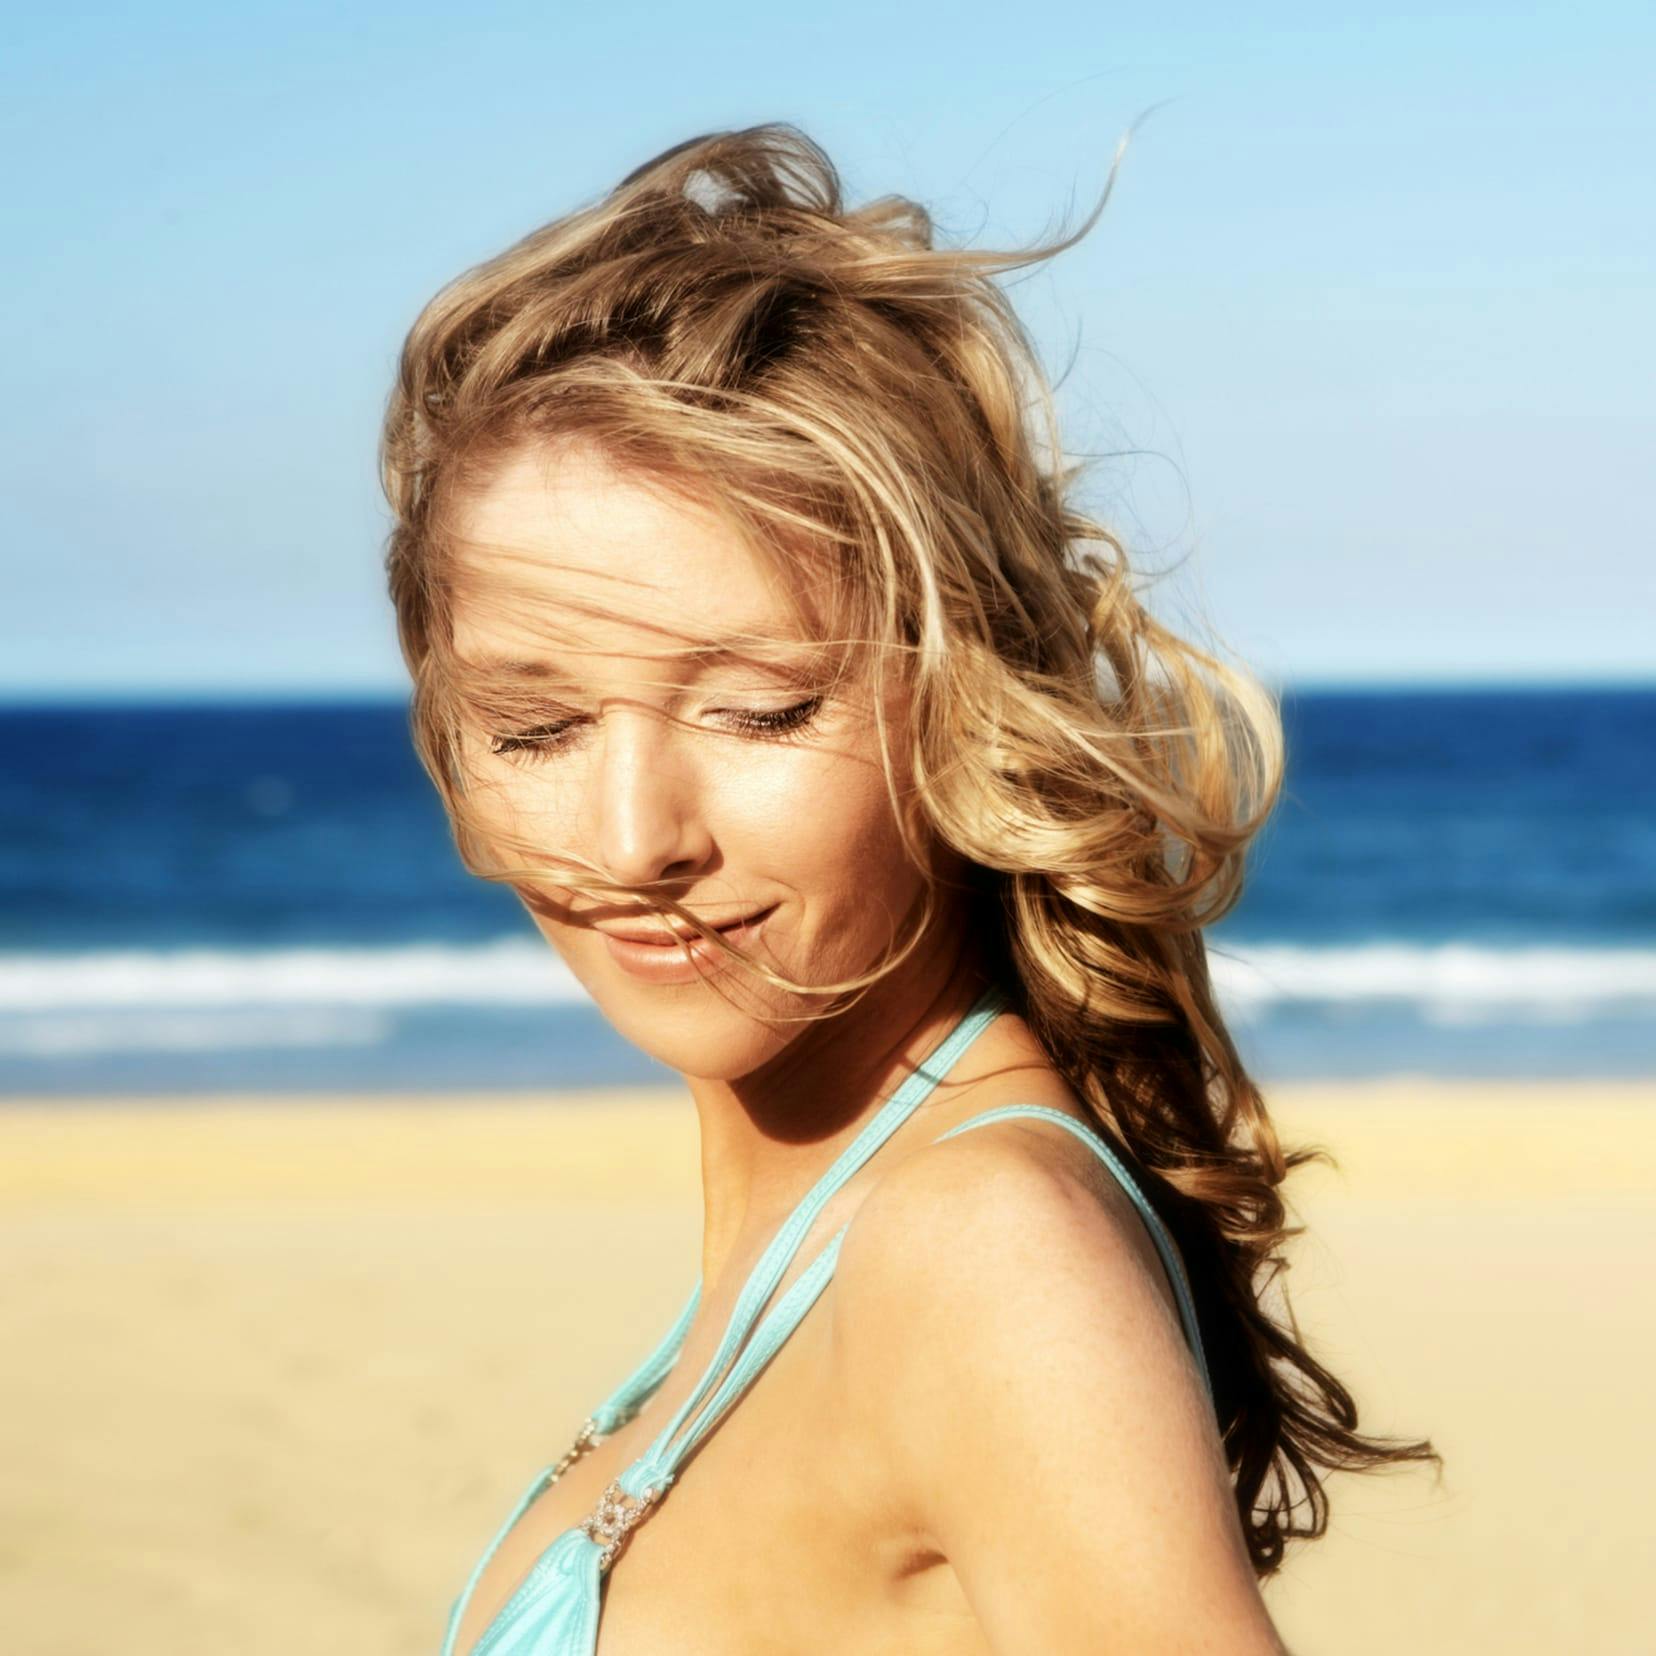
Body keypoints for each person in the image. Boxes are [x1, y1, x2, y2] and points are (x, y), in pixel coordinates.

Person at [378, 122, 1438, 1656]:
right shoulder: (836, 1225)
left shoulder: (982, 1247)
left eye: (757, 710)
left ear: (968, 697)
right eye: (534, 728)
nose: (631, 837)